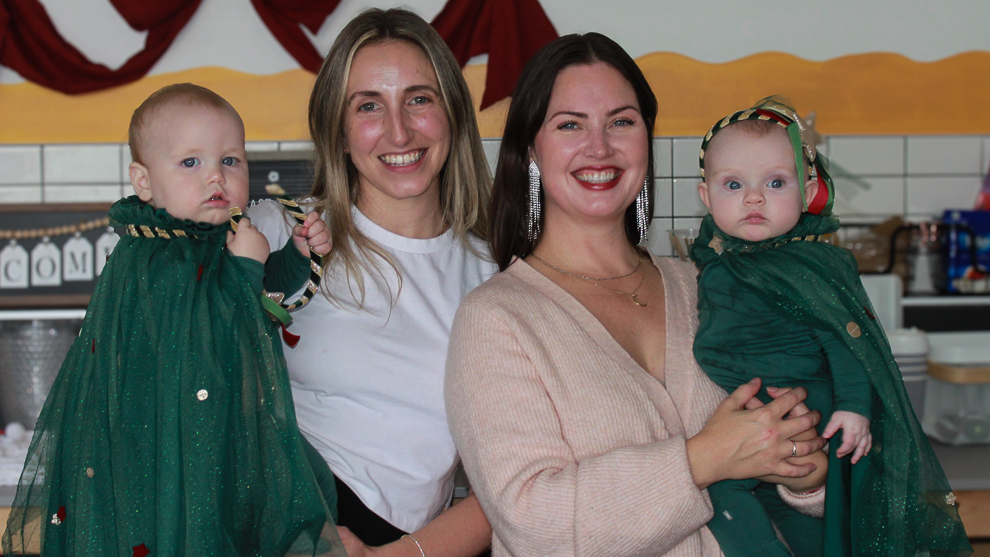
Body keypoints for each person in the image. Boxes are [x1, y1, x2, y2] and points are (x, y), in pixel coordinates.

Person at [444, 33, 832, 557]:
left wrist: (807, 479)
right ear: (531, 148)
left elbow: (796, 462)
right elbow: (532, 523)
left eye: (621, 122)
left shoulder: (709, 284)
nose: (599, 147)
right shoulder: (497, 318)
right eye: (570, 125)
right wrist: (701, 459)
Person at [2, 83, 344, 556]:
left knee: (307, 487)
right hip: (173, 449)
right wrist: (247, 266)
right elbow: (214, 335)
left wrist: (293, 255)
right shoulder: (155, 257)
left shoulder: (211, 236)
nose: (216, 178)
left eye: (231, 160)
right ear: (143, 181)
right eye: (191, 163)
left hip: (224, 430)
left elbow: (257, 296)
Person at [249, 8, 495, 557]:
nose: (399, 131)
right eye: (368, 106)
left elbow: (510, 488)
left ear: (452, 112)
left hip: (401, 542)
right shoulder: (275, 230)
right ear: (337, 130)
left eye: (419, 98)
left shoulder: (494, 276)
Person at [690, 98, 972, 556]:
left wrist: (855, 407)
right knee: (792, 512)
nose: (753, 197)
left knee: (722, 488)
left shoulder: (812, 266)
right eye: (734, 184)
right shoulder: (716, 259)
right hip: (750, 408)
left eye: (776, 182)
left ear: (806, 193)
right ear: (706, 197)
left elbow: (847, 339)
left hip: (801, 405)